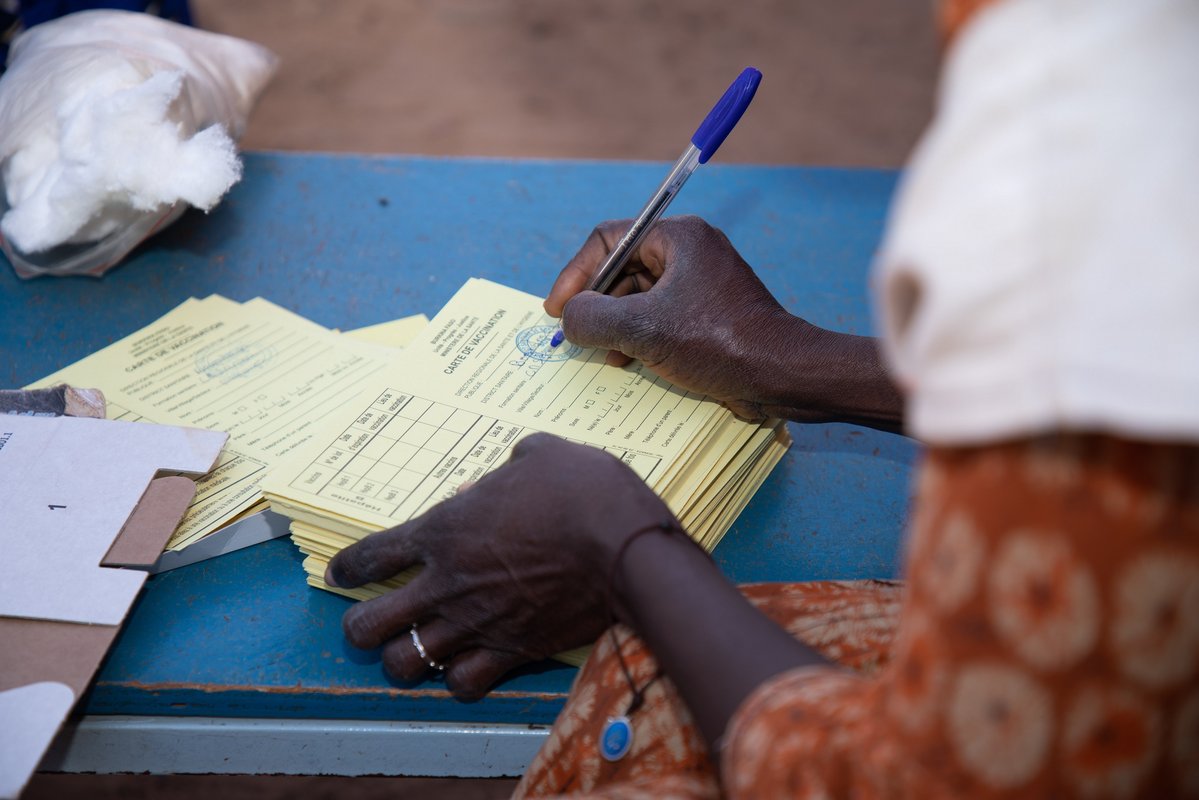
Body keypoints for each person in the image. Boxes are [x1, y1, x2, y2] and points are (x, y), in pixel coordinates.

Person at [324, 0, 1199, 795]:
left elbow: (936, 781)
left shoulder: (1105, 135)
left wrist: (623, 550)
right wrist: (786, 359)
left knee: (648, 710)